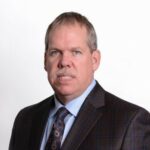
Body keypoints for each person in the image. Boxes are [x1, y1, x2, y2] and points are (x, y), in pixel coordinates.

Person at [9, 12, 150, 150]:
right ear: (45, 61)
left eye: (76, 52)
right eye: (55, 52)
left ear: (95, 60)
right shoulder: (25, 120)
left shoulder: (130, 122)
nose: (64, 62)